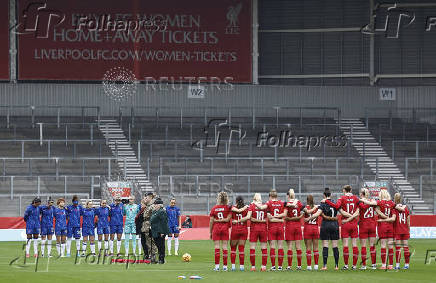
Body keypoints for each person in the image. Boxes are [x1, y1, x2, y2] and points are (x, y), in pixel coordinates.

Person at [323, 185, 360, 270]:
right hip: (354, 223)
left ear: (344, 190)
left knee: (345, 245)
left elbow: (336, 206)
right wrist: (352, 217)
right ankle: (354, 265)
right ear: (350, 190)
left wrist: (327, 201)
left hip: (345, 223)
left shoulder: (342, 198)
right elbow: (359, 209)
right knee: (354, 244)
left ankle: (346, 265)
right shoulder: (355, 198)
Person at [360, 189, 396, 269]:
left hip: (381, 225)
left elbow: (375, 209)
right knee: (390, 246)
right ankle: (389, 265)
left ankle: (382, 265)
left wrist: (362, 200)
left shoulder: (379, 202)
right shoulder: (391, 203)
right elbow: (397, 209)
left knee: (381, 245)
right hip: (389, 226)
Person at [308, 188, 340, 270]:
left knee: (325, 245)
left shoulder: (322, 203)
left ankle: (325, 266)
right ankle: (336, 265)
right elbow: (342, 212)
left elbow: (317, 214)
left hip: (325, 224)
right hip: (335, 225)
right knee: (335, 246)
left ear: (324, 195)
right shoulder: (335, 203)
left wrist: (309, 218)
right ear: (331, 195)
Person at [255, 189, 285, 271]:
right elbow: (285, 214)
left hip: (272, 227)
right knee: (280, 247)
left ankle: (273, 266)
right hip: (280, 227)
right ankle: (280, 266)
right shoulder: (282, 203)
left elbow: (261, 207)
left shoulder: (269, 203)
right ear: (276, 196)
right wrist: (280, 219)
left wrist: (254, 203)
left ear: (270, 196)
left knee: (272, 247)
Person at [209, 191, 231, 271]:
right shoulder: (228, 208)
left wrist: (210, 232)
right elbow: (229, 218)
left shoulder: (214, 208)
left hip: (216, 228)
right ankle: (225, 267)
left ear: (218, 198)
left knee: (217, 247)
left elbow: (211, 221)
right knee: (225, 247)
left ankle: (217, 266)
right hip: (225, 228)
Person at [283, 189, 304, 270]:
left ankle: (289, 266)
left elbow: (285, 216)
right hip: (298, 225)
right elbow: (302, 211)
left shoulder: (287, 204)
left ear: (288, 195)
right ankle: (299, 266)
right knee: (298, 247)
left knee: (290, 247)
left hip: (289, 226)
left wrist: (289, 218)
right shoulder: (298, 202)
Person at [357, 188, 377, 270]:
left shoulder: (360, 202)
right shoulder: (372, 201)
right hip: (372, 225)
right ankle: (374, 265)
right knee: (372, 246)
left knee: (363, 246)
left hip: (364, 225)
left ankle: (364, 265)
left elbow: (362, 208)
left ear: (362, 194)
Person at [230, 196, 251, 271]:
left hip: (235, 229)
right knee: (241, 249)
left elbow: (230, 216)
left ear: (236, 201)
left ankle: (233, 267)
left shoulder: (232, 208)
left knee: (233, 248)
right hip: (243, 230)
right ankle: (242, 267)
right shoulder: (247, 208)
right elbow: (249, 217)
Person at [248, 193, 268, 272]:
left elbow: (250, 218)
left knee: (252, 248)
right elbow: (267, 217)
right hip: (263, 228)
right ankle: (263, 267)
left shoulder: (251, 206)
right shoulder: (264, 206)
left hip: (254, 229)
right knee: (264, 248)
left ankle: (253, 267)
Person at [302, 195, 320, 270]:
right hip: (315, 228)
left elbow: (302, 216)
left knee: (308, 248)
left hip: (308, 228)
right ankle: (316, 266)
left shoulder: (305, 208)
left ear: (307, 200)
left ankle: (309, 266)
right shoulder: (317, 207)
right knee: (316, 248)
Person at [393, 193, 410, 270]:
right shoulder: (406, 208)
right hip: (405, 230)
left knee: (398, 248)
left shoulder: (394, 208)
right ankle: (407, 265)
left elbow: (393, 219)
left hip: (397, 230)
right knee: (406, 248)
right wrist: (408, 230)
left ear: (395, 199)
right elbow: (408, 221)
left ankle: (397, 265)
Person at [150, 198, 170, 264]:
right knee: (158, 245)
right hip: (155, 231)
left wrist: (162, 232)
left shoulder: (162, 211)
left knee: (161, 245)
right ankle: (160, 258)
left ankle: (162, 259)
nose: (155, 205)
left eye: (156, 204)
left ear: (160, 205)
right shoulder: (154, 211)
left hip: (160, 231)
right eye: (154, 204)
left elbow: (164, 222)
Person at [141, 193, 158, 262]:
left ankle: (153, 256)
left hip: (150, 225)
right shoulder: (148, 206)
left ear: (150, 198)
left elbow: (155, 217)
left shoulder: (152, 206)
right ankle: (150, 256)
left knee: (151, 242)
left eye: (147, 198)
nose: (146, 199)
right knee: (148, 242)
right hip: (146, 225)